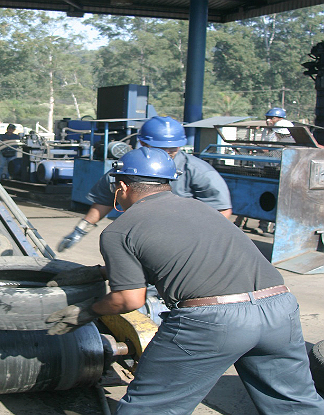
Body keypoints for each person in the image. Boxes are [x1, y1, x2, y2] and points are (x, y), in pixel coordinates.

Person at [45, 147, 324, 414]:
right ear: (167, 183)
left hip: (213, 322)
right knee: (294, 403)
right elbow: (184, 255)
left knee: (151, 408)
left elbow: (129, 300)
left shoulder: (120, 230)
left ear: (122, 187)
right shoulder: (203, 210)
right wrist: (102, 271)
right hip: (279, 309)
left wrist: (86, 311)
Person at [58, 116, 232, 252]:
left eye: (175, 147)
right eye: (163, 147)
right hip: (141, 237)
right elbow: (104, 200)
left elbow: (222, 209)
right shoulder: (126, 167)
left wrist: (198, 239)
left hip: (183, 240)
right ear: (143, 143)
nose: (170, 151)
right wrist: (80, 230)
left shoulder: (198, 171)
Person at [235, 107, 294, 235]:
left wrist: (258, 148)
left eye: (272, 118)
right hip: (263, 168)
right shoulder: (268, 132)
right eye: (268, 117)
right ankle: (244, 223)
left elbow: (272, 152)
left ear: (280, 119)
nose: (268, 120)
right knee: (259, 196)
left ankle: (265, 226)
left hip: (276, 172)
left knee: (270, 200)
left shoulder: (285, 136)